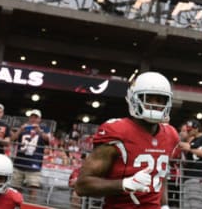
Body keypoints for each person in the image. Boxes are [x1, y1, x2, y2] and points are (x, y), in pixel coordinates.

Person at [75, 71, 179, 209]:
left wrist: (164, 205)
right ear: (134, 99)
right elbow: (82, 186)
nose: (155, 105)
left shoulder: (171, 134)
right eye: (148, 98)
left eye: (160, 100)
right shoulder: (117, 131)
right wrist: (124, 184)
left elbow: (160, 176)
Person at [10, 109, 51, 197]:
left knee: (33, 189)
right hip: (19, 163)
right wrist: (20, 130)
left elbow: (48, 140)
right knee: (15, 189)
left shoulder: (44, 129)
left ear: (39, 119)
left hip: (34, 164)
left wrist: (39, 131)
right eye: (32, 117)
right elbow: (12, 139)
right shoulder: (23, 128)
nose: (33, 119)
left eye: (36, 118)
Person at [179, 119, 202, 209]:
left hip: (199, 176)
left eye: (190, 129)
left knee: (197, 204)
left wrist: (190, 149)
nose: (188, 131)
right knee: (187, 205)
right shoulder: (192, 140)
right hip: (189, 177)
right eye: (188, 130)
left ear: (197, 129)